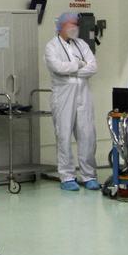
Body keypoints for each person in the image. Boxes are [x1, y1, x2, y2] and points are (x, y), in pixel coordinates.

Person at [44, 11, 99, 191]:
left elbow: (93, 67)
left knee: (87, 134)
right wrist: (79, 64)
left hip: (83, 93)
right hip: (63, 95)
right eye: (71, 24)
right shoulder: (51, 46)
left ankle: (88, 175)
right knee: (64, 135)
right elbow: (58, 67)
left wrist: (74, 70)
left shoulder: (82, 44)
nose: (74, 27)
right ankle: (67, 177)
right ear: (61, 26)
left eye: (76, 24)